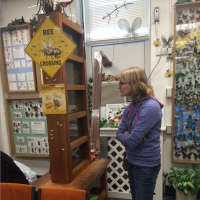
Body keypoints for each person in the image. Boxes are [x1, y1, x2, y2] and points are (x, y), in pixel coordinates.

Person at [116, 67, 163, 200]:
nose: (119, 87)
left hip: (146, 166)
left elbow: (131, 141)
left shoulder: (150, 107)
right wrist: (128, 136)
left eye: (121, 83)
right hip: (132, 162)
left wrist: (127, 136)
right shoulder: (131, 107)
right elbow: (119, 133)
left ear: (133, 84)